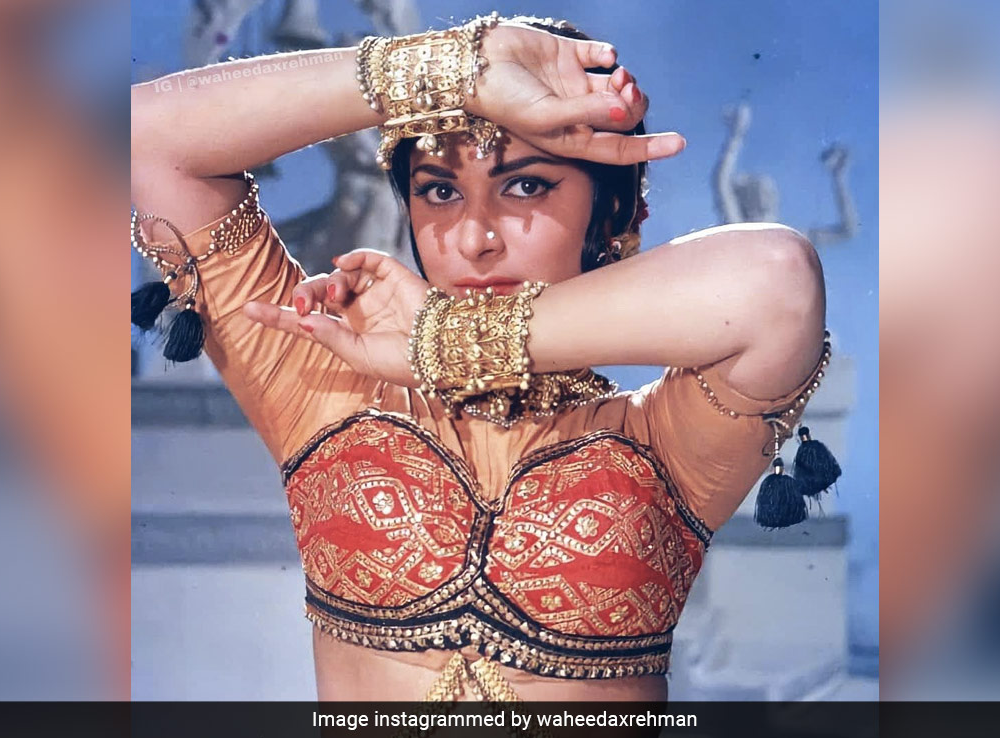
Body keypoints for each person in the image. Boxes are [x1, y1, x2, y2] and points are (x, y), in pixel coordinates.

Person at [131, 14, 834, 702]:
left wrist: (440, 340)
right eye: (439, 191)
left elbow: (778, 283)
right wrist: (461, 67)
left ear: (614, 214)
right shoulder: (322, 386)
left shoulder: (665, 440)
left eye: (525, 185)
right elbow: (149, 136)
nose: (474, 239)